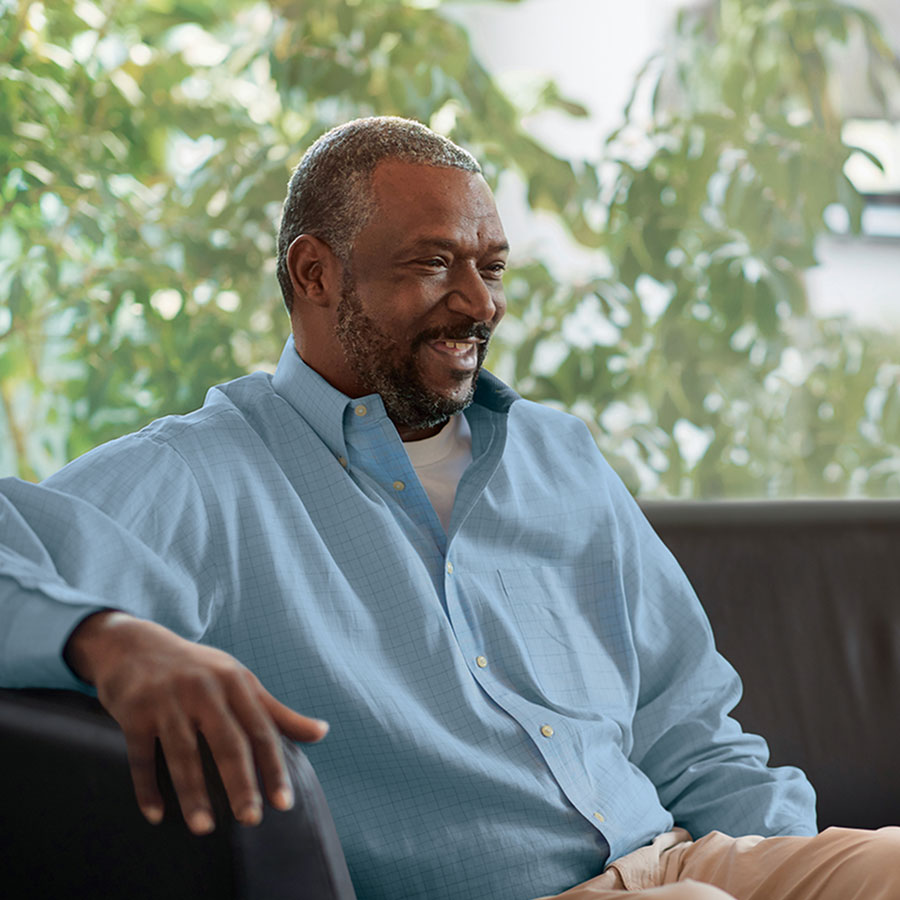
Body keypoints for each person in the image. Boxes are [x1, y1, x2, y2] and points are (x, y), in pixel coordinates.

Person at [0, 117, 896, 900]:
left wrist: (793, 868)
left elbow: (689, 726)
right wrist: (109, 637)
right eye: (434, 264)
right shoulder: (201, 475)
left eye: (491, 266)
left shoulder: (559, 454)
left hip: (687, 862)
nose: (479, 303)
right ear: (315, 273)